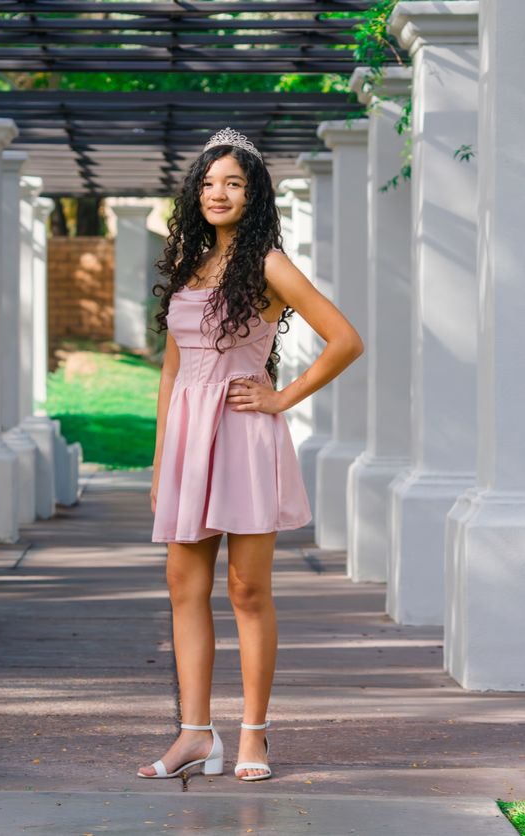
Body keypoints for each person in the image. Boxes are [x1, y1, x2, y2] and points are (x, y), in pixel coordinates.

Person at [137, 127, 364, 782]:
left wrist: (280, 399)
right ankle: (194, 735)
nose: (218, 193)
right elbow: (171, 373)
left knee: (247, 589)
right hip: (187, 441)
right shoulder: (186, 262)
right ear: (194, 194)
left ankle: (253, 738)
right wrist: (160, 464)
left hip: (241, 436)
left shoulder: (267, 261)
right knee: (183, 586)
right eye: (208, 183)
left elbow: (345, 339)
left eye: (232, 182)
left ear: (253, 192)